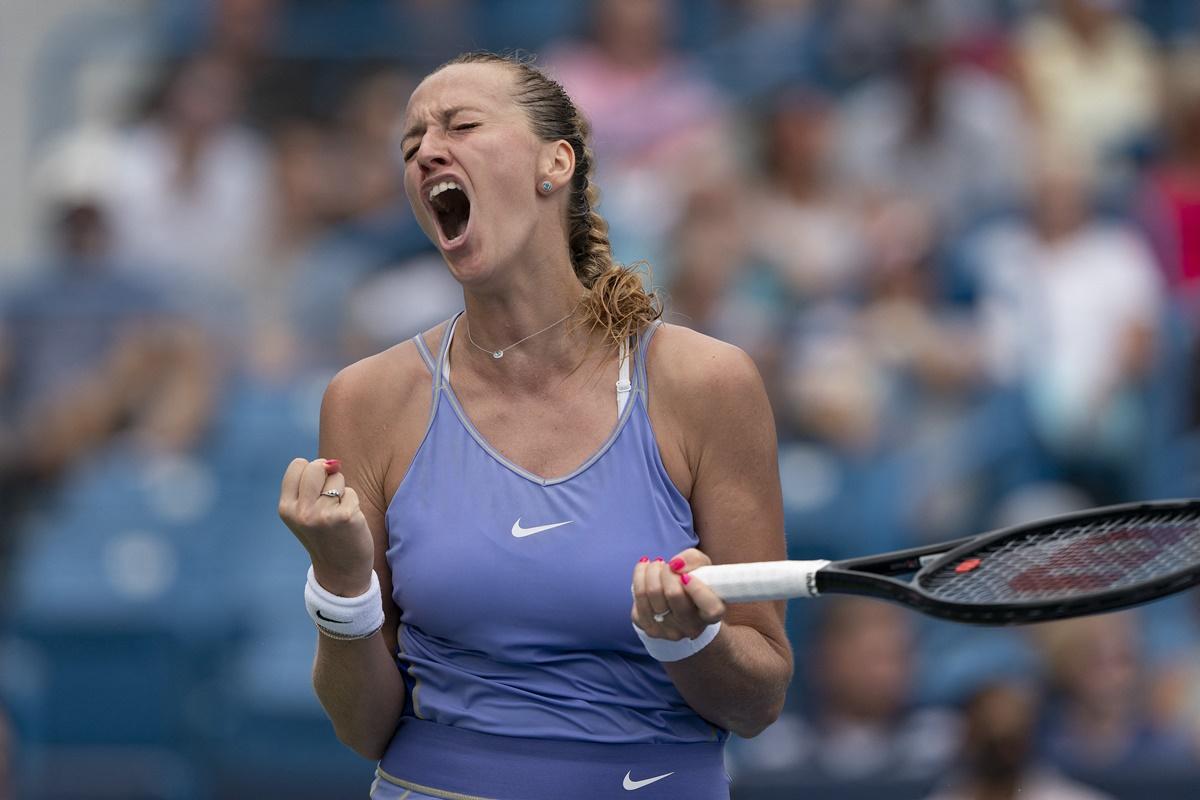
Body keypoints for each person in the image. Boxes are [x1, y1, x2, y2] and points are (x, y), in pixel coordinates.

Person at [277, 51, 791, 799]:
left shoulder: (706, 384)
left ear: (556, 162)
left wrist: (691, 638)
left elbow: (758, 703)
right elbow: (363, 728)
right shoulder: (366, 400)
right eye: (411, 142)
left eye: (462, 125)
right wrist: (341, 584)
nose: (427, 149)